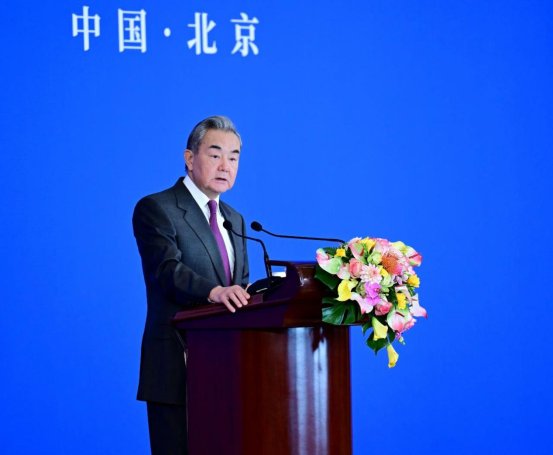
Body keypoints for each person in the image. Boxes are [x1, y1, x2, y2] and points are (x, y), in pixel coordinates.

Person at [132, 115, 250, 454]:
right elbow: (166, 270)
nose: (226, 166)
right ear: (189, 158)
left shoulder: (235, 219)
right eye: (215, 154)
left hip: (228, 370)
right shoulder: (157, 208)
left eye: (234, 157)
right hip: (176, 367)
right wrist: (215, 292)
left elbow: (239, 287)